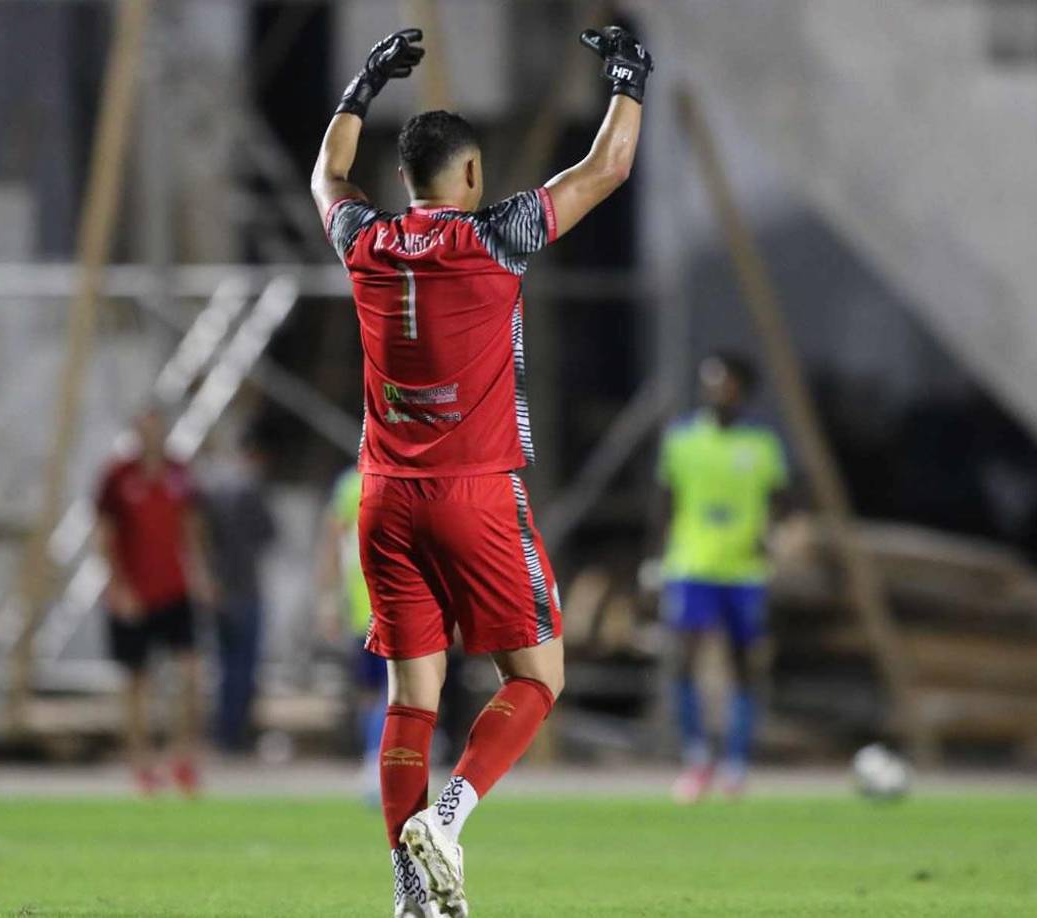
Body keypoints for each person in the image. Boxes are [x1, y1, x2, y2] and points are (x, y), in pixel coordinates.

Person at [310, 25, 652, 917]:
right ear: (469, 175)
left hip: (384, 496)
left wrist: (359, 90)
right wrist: (628, 79)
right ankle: (448, 821)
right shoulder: (496, 237)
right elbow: (608, 166)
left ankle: (409, 893)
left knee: (410, 700)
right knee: (536, 678)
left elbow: (327, 176)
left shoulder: (366, 242)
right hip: (475, 491)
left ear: (403, 181)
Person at [654, 352, 789, 802]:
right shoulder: (682, 439)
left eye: (725, 384)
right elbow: (665, 501)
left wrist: (770, 540)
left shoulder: (762, 444)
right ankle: (696, 759)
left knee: (744, 665)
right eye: (710, 383)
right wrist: (657, 558)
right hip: (691, 565)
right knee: (683, 661)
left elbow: (781, 499)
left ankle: (736, 763)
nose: (716, 392)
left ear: (743, 389)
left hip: (744, 570)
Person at [96, 406, 215, 796]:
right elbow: (105, 535)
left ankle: (182, 757)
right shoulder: (118, 477)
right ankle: (141, 763)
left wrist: (200, 576)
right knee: (137, 681)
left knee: (190, 674)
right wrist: (117, 587)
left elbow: (190, 528)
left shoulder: (178, 473)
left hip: (174, 590)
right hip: (135, 593)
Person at [196, 430, 277, 752]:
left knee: (224, 666)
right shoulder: (249, 490)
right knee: (243, 666)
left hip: (219, 588)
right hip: (245, 590)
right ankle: (236, 733)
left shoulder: (210, 492)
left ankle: (224, 732)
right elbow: (269, 535)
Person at [316, 464, 385, 803]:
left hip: (397, 604)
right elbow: (333, 544)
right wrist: (329, 601)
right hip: (365, 606)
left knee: (393, 688)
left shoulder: (411, 474)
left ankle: (379, 761)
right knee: (376, 691)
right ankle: (376, 761)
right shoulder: (352, 485)